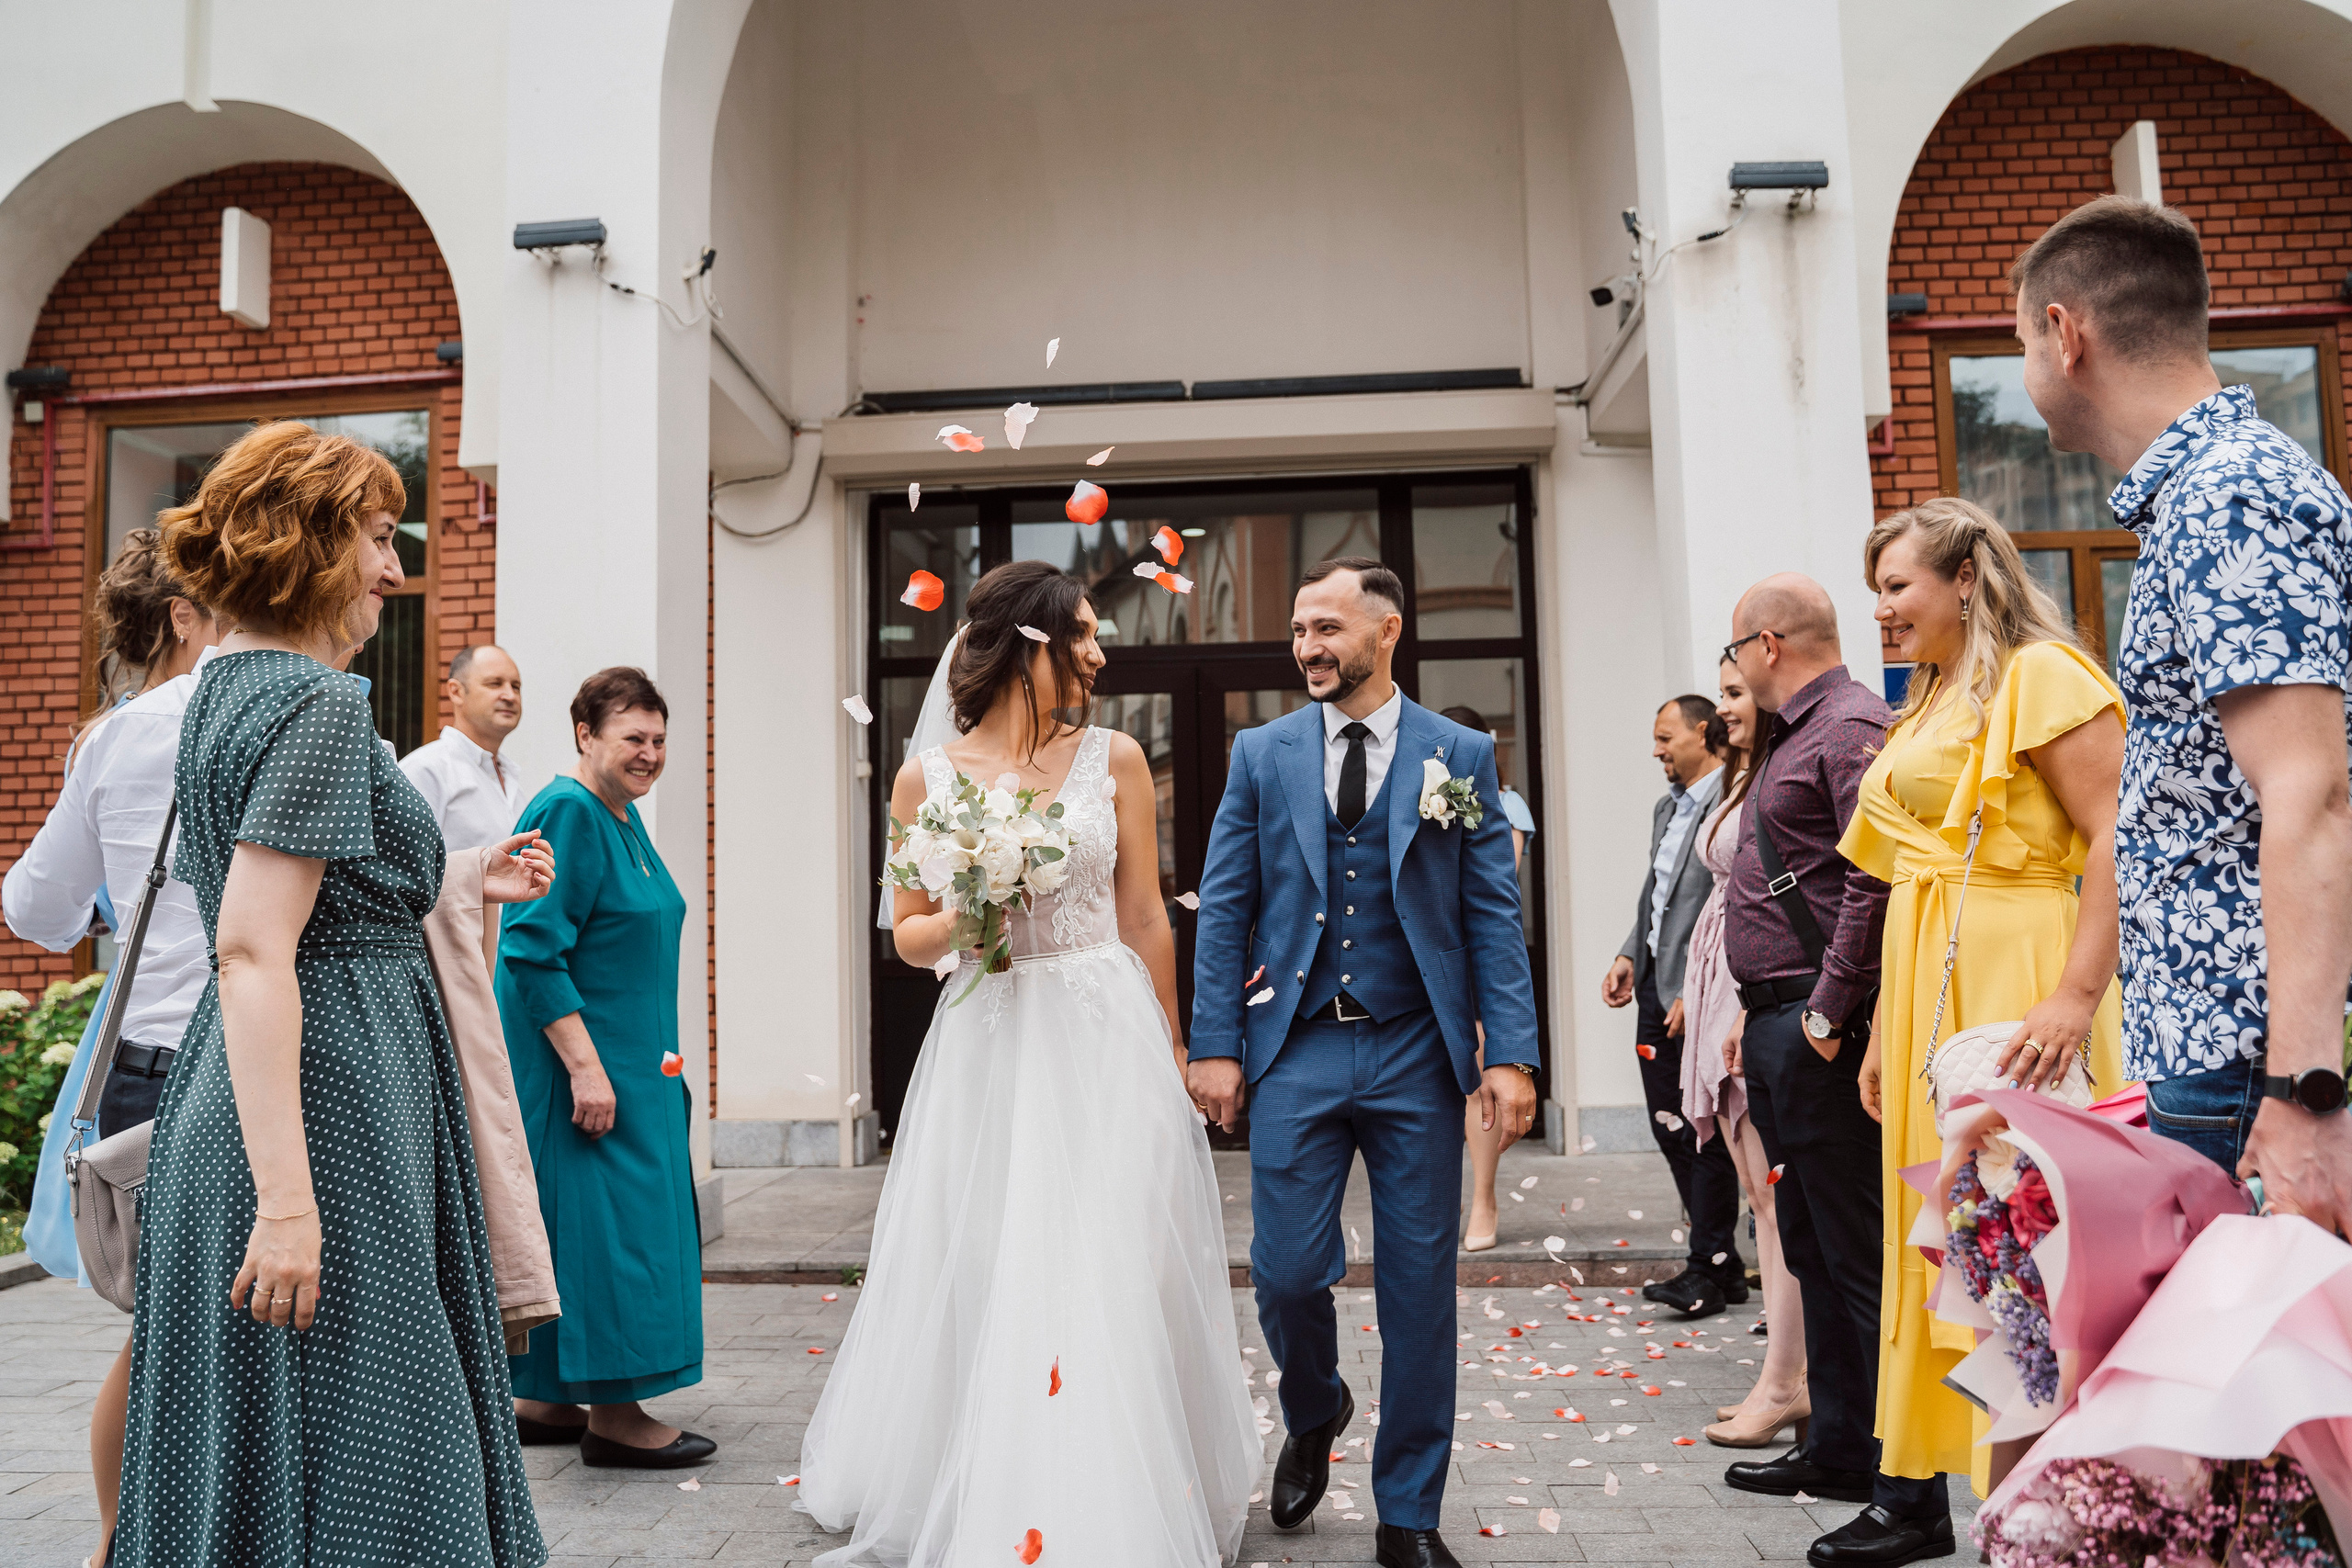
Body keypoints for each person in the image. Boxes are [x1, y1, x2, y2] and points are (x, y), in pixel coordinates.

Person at [118, 420, 548, 1567]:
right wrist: (289, 1204)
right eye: (376, 538)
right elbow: (256, 950)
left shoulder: (224, 688)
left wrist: (459, 876)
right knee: (382, 1453)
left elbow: (299, 904)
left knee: (275, 1447)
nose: (396, 569)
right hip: (327, 1119)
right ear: (308, 542)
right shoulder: (313, 703)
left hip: (287, 1095)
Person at [798, 560, 1258, 1566]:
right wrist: (974, 910)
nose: (1100, 652)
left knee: (1112, 1252)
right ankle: (1005, 1482)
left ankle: (1124, 1481)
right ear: (1028, 646)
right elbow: (910, 934)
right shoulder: (929, 777)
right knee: (1003, 1257)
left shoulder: (1119, 759)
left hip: (1104, 1035)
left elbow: (1144, 914)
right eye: (1083, 634)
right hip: (993, 1037)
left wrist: (1175, 1045)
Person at [1190, 557, 1540, 1568]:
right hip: (1296, 1046)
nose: (1308, 646)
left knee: (1421, 1286)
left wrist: (1508, 1055)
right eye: (1300, 629)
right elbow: (1226, 912)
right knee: (1289, 1273)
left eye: (1328, 627)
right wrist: (1215, 1044)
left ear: (1386, 631)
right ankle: (1315, 1405)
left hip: (1414, 1053)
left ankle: (1409, 1515)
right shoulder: (1262, 753)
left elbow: (1489, 918)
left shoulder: (1458, 753)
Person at [2009, 197, 2352, 1224]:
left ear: (2066, 336)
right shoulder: (2206, 493)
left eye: (2022, 339)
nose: (2026, 373)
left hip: (2248, 1061)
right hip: (2216, 1047)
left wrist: (2302, 1094)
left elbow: (2311, 789)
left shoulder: (2225, 496)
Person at [1841, 497, 2128, 1507]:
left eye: (1895, 587)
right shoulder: (1924, 698)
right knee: (1961, 1244)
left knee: (2021, 1244)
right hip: (1928, 985)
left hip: (2020, 972)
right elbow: (1899, 877)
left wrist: (2071, 997)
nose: (1880, 610)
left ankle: (2052, 1500)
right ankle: (2005, 1504)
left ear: (1964, 579)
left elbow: (2113, 836)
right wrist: (1883, 1030)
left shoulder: (2038, 675)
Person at [1713, 575, 1941, 1566]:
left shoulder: (1848, 726)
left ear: (1767, 644)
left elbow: (1875, 876)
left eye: (1734, 653)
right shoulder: (1796, 729)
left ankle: (1912, 1494)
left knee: (1861, 1262)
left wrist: (1822, 1010)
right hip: (1778, 1025)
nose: (1732, 671)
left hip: (1822, 1030)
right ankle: (1841, 1448)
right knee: (1808, 1242)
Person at [2, 529, 220, 1566]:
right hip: (236, 1057)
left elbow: (34, 910)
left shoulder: (111, 738)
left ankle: (112, 1547)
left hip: (145, 1056)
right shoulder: (270, 706)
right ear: (187, 615)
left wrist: (124, 893)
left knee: (167, 1332)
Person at [499, 668, 711, 1467]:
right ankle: (616, 1416)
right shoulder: (570, 811)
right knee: (613, 1235)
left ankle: (548, 1395)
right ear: (586, 735)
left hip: (634, 1067)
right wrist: (588, 1070)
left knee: (584, 1233)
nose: (650, 753)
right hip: (588, 1074)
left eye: (659, 739)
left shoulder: (618, 815)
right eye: (633, 737)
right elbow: (531, 947)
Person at [1685, 658, 1810, 1449]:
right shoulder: (1743, 775)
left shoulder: (1778, 773)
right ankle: (1783, 1372)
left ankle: (1788, 1379)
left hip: (1757, 979)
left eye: (1733, 693)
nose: (1721, 709)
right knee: (1759, 1194)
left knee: (1775, 1193)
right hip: (1721, 979)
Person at [1603, 695, 1743, 1317]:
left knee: (1703, 1124)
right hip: (1655, 986)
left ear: (1705, 733)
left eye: (1666, 737)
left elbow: (1732, 900)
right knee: (1668, 1119)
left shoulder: (1732, 801)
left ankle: (1707, 1264)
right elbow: (1656, 890)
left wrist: (1695, 985)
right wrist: (1631, 953)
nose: (1657, 749)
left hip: (1699, 991)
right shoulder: (1669, 807)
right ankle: (1722, 1261)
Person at [1436, 702, 1531, 1255]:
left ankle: (1484, 1198)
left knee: (1477, 1078)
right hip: (1429, 953)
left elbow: (1500, 881)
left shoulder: (1505, 805)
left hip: (1478, 952)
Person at [401, 644, 527, 852]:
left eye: (516, 686)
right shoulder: (425, 770)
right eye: (495, 684)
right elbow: (405, 872)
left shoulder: (511, 777)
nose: (510, 696)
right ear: (456, 692)